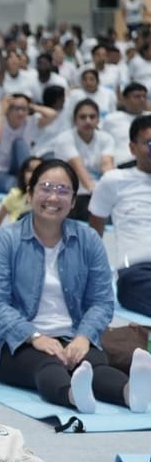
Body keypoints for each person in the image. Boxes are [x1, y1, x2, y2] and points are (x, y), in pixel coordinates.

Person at [0, 159, 148, 412]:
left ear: (72, 201)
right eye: (46, 188)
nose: (53, 197)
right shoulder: (7, 239)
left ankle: (130, 394)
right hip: (17, 342)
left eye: (63, 191)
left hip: (73, 336)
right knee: (47, 365)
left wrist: (83, 337)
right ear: (30, 194)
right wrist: (35, 337)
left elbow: (102, 301)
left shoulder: (88, 239)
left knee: (95, 365)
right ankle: (74, 396)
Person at [90, 115, 151, 318]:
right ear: (132, 148)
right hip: (137, 272)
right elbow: (93, 234)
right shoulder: (114, 180)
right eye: (149, 143)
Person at [51, 99, 113, 219]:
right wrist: (97, 195)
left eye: (92, 116)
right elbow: (79, 169)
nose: (88, 121)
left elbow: (107, 166)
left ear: (98, 119)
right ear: (75, 120)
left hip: (96, 190)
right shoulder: (65, 139)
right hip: (70, 190)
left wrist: (111, 192)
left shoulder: (106, 138)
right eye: (83, 117)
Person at [0, 94, 56, 194]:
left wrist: (31, 106)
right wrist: (1, 112)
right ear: (8, 109)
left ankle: (31, 184)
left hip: (23, 171)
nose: (20, 112)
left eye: (23, 109)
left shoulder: (30, 122)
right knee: (11, 184)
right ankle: (31, 186)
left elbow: (52, 114)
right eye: (16, 108)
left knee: (49, 156)